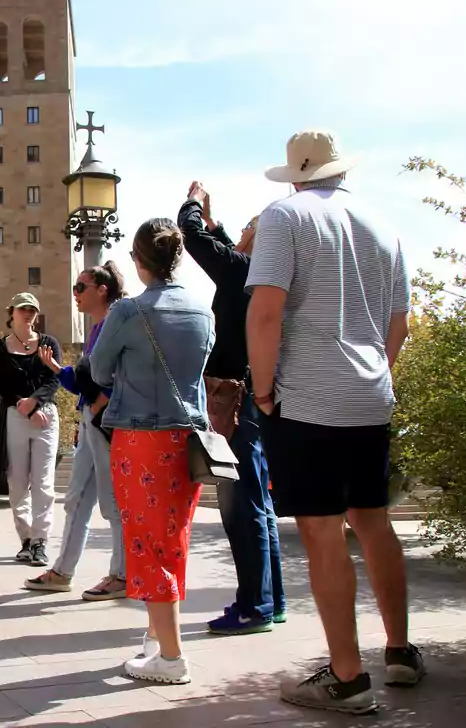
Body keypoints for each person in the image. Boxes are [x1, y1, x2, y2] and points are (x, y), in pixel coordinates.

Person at [246, 130, 420, 714]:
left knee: (322, 530)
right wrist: (372, 377)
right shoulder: (383, 226)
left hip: (307, 398)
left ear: (295, 175)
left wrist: (265, 391)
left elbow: (266, 311)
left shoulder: (284, 216)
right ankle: (399, 651)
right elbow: (399, 323)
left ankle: (347, 678)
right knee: (373, 520)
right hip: (370, 395)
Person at [90, 217, 215, 686]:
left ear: (139, 261)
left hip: (141, 440)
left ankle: (172, 656)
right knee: (172, 539)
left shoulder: (127, 312)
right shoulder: (203, 312)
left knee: (146, 542)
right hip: (189, 442)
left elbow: (99, 370)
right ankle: (156, 639)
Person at [179, 182, 287, 635]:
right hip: (256, 399)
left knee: (241, 506)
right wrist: (216, 220)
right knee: (259, 505)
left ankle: (253, 607)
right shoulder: (264, 276)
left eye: (247, 228)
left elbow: (196, 241)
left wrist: (190, 206)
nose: (237, 233)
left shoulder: (245, 271)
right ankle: (271, 600)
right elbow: (223, 248)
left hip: (233, 402)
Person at [25, 262, 128, 599]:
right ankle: (62, 572)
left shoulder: (117, 322)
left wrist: (100, 404)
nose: (75, 294)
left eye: (81, 287)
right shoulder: (99, 326)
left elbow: (124, 371)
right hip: (91, 423)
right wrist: (59, 371)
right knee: (76, 500)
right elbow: (87, 380)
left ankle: (122, 575)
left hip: (107, 424)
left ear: (102, 290)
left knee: (113, 503)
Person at [0, 293, 62, 567]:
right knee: (18, 482)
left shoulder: (48, 344)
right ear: (12, 312)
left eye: (32, 309)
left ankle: (40, 541)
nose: (28, 314)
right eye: (23, 309)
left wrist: (36, 403)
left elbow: (54, 377)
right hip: (15, 415)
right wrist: (25, 407)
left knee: (43, 483)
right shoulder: (0, 347)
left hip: (45, 417)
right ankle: (26, 540)